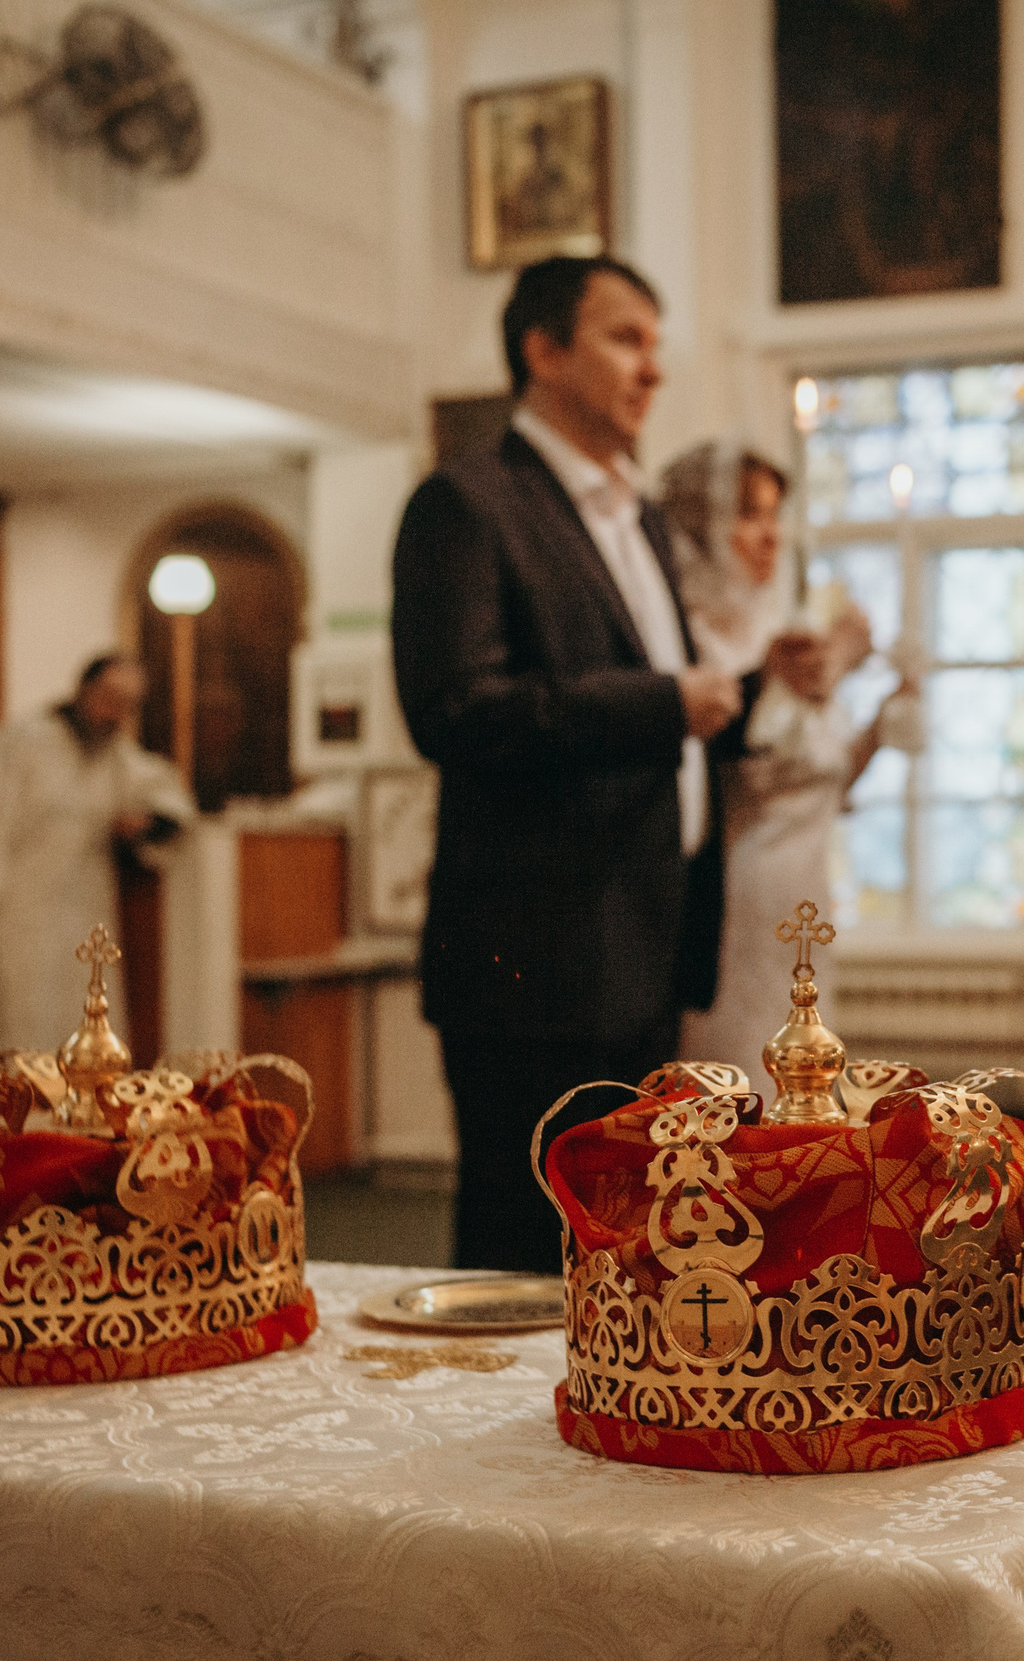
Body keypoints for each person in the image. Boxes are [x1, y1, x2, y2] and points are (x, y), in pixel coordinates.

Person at [390, 256, 831, 1275]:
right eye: (625, 339)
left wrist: (753, 686)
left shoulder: (632, 516)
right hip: (534, 954)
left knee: (625, 1250)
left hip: (645, 940)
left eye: (655, 345)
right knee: (523, 1254)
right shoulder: (467, 503)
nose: (652, 370)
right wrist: (669, 699)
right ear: (542, 351)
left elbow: (660, 720)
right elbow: (454, 710)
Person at [657, 439, 901, 1082]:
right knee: (743, 1090)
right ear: (699, 527)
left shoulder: (782, 628)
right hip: (735, 900)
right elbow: (714, 762)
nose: (770, 537)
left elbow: (828, 779)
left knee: (809, 1089)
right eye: (749, 516)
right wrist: (804, 673)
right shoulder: (684, 635)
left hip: (809, 898)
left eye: (774, 516)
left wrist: (882, 716)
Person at [0, 653, 193, 1062]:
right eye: (109, 696)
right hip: (14, 915)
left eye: (127, 704)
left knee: (79, 1026)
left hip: (83, 918)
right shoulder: (19, 743)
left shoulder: (115, 757)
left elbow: (168, 798)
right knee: (11, 1026)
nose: (114, 712)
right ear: (84, 690)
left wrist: (146, 821)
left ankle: (68, 1123)